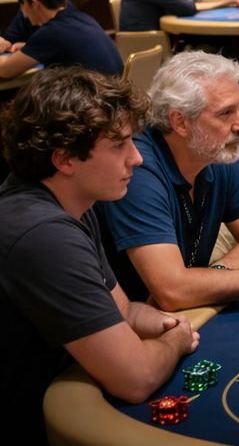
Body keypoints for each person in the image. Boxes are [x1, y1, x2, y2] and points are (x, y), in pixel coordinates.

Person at [0, 67, 200, 442]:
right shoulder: (45, 234)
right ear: (65, 159)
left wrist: (167, 324)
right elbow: (136, 379)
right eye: (119, 145)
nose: (137, 159)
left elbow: (124, 311)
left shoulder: (73, 202)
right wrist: (176, 342)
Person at [98, 51, 239, 310]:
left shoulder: (215, 152)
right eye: (226, 113)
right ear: (180, 122)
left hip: (186, 313)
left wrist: (215, 275)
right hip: (126, 323)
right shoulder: (136, 169)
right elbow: (172, 291)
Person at [0, 0, 123, 79]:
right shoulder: (82, 18)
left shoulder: (51, 32)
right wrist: (28, 47)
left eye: (22, 4)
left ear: (35, 4)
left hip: (95, 95)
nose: (23, 13)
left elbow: (5, 70)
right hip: (116, 91)